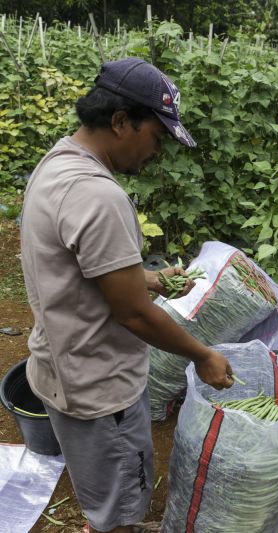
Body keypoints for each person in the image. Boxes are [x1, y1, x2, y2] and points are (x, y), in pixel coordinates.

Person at [20, 58, 234, 533]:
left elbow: (83, 275)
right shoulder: (99, 196)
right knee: (121, 507)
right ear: (120, 121)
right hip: (102, 390)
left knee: (102, 491)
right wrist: (202, 355)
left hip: (62, 369)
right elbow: (133, 315)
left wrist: (153, 279)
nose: (157, 151)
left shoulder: (58, 162)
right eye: (156, 137)